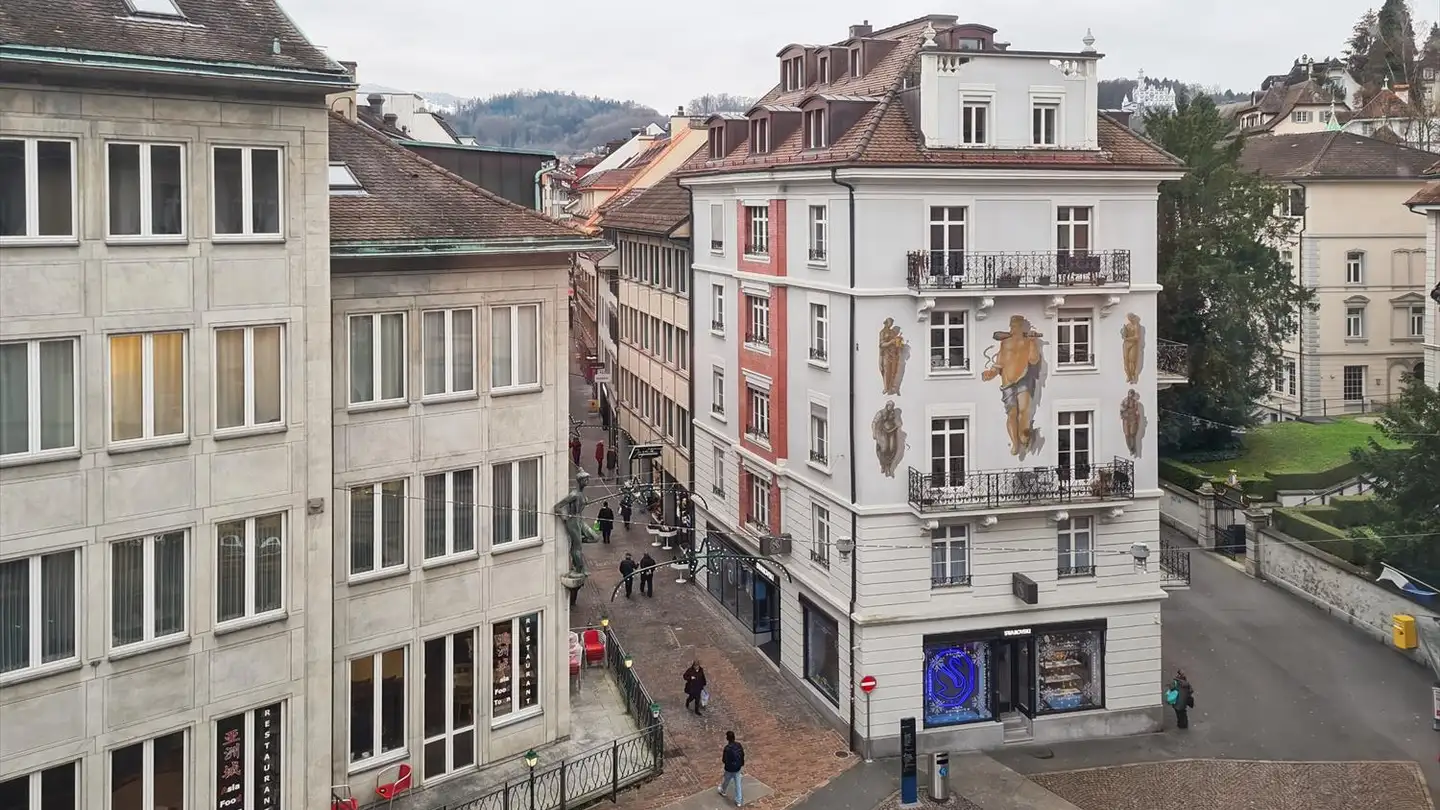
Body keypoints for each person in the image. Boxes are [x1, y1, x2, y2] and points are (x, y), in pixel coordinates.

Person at [718, 730, 745, 806]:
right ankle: (738, 801)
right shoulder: (739, 745)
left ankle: (723, 790)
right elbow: (742, 754)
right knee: (738, 784)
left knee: (726, 780)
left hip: (729, 769)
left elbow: (724, 760)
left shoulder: (727, 748)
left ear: (727, 738)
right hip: (737, 768)